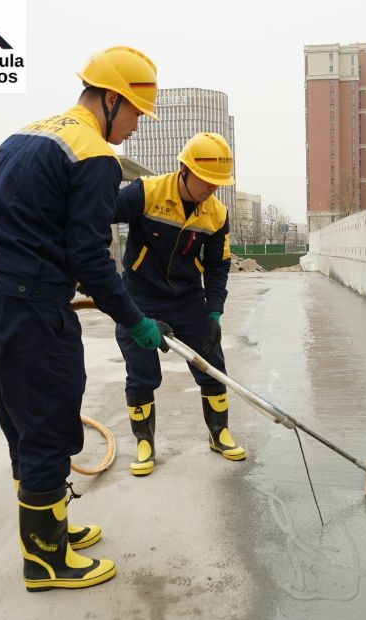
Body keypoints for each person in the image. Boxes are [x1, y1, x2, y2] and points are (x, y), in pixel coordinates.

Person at [0, 46, 172, 592]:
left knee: (25, 427)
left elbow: (21, 224)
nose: (134, 128)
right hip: (28, 308)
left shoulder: (25, 135)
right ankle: (46, 562)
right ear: (111, 99)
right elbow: (91, 258)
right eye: (135, 114)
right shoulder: (94, 153)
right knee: (49, 428)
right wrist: (136, 321)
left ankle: (50, 527)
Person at [113, 132, 246, 476]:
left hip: (188, 299)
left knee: (211, 364)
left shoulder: (216, 214)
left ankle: (219, 433)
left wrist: (214, 312)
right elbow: (96, 216)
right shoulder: (147, 192)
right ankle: (144, 442)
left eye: (218, 183)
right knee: (142, 372)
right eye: (206, 180)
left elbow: (217, 267)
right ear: (184, 169)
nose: (212, 188)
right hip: (140, 296)